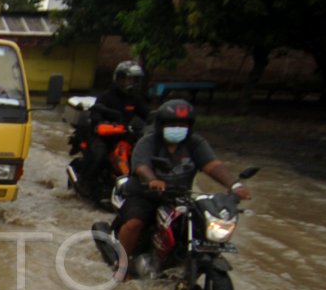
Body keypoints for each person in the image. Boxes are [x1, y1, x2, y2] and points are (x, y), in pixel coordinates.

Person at [114, 98, 251, 266]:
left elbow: (213, 166)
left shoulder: (195, 143)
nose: (177, 128)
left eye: (183, 124)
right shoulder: (148, 142)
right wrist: (152, 180)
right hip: (146, 194)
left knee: (200, 224)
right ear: (161, 125)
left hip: (179, 197)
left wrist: (235, 185)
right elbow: (141, 167)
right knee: (135, 223)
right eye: (172, 124)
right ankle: (122, 264)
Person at [74, 60, 153, 200]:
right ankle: (84, 182)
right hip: (103, 136)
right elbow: (96, 114)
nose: (131, 83)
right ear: (119, 78)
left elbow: (147, 115)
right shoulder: (106, 97)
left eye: (135, 80)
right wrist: (102, 123)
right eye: (128, 79)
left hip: (125, 136)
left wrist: (156, 122)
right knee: (99, 154)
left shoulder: (135, 99)